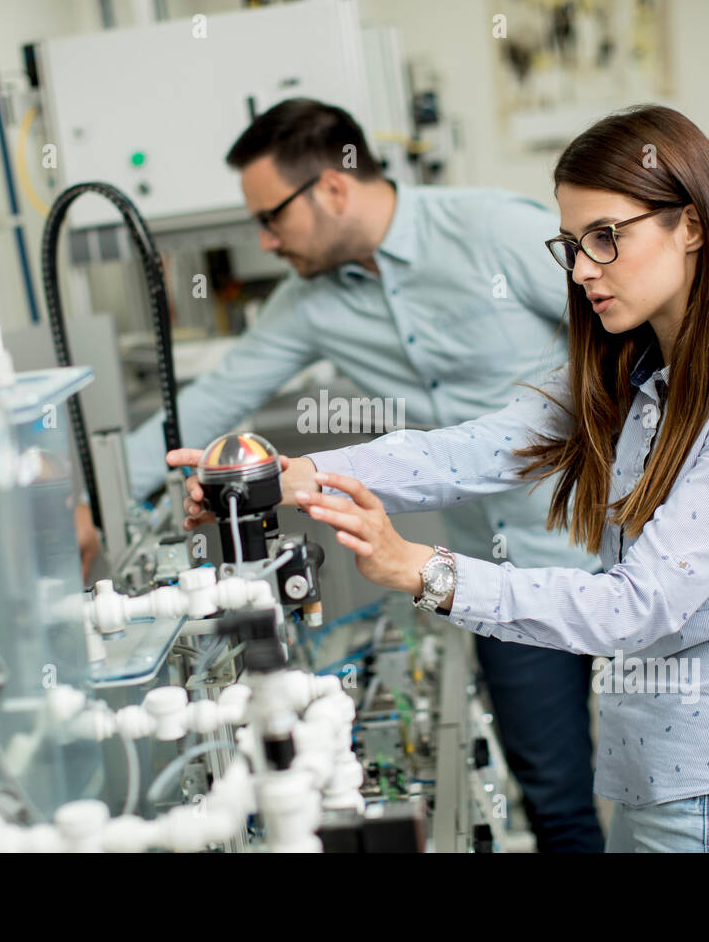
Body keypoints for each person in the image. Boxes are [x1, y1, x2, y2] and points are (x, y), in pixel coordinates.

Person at [174, 104, 709, 852]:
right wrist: (299, 476)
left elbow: (637, 607)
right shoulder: (635, 373)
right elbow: (474, 449)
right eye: (573, 245)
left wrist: (421, 569)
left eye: (605, 238)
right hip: (652, 790)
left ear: (690, 225)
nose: (584, 268)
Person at [125, 98, 603, 851]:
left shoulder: (493, 233)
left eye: (271, 217)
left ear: (334, 188)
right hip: (504, 582)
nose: (265, 239)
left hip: (628, 550)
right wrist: (95, 496)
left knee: (669, 785)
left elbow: (627, 345)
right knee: (558, 807)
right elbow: (215, 398)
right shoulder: (309, 304)